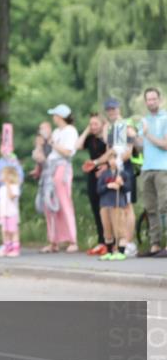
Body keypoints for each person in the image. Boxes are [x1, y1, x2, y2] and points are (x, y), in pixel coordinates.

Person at [37, 104, 79, 253]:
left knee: (64, 202)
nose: (53, 117)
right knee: (49, 204)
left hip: (62, 167)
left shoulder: (70, 131)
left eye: (55, 115)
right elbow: (50, 151)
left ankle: (72, 240)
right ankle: (53, 241)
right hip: (51, 167)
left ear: (60, 117)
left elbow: (68, 152)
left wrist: (52, 142)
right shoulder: (56, 132)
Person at [135, 87, 167, 258]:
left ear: (159, 100)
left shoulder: (166, 118)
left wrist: (147, 135)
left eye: (154, 99)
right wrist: (133, 137)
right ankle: (155, 245)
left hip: (163, 168)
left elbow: (165, 145)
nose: (151, 102)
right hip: (146, 168)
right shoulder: (144, 121)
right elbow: (141, 146)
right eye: (149, 99)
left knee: (165, 207)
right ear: (145, 101)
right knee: (150, 208)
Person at [77, 113, 108, 254]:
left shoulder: (107, 138)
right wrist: (86, 130)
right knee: (96, 209)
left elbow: (111, 149)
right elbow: (77, 146)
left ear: (102, 124)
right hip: (92, 174)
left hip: (106, 173)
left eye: (96, 124)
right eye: (91, 124)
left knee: (107, 208)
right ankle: (101, 241)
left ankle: (110, 241)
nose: (93, 127)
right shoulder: (90, 139)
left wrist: (105, 129)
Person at [96, 156, 136, 260]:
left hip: (117, 204)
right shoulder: (104, 174)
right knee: (107, 229)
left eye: (115, 158)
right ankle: (109, 252)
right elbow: (98, 190)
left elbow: (128, 188)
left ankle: (121, 251)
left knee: (119, 228)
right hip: (105, 204)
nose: (113, 161)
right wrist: (108, 185)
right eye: (111, 159)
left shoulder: (123, 174)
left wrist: (121, 184)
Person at [0, 166, 22, 258]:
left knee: (13, 231)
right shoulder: (1, 189)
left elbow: (11, 196)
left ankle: (15, 249)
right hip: (3, 213)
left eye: (4, 175)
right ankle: (7, 248)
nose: (2, 177)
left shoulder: (15, 187)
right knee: (5, 231)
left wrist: (8, 184)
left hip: (12, 213)